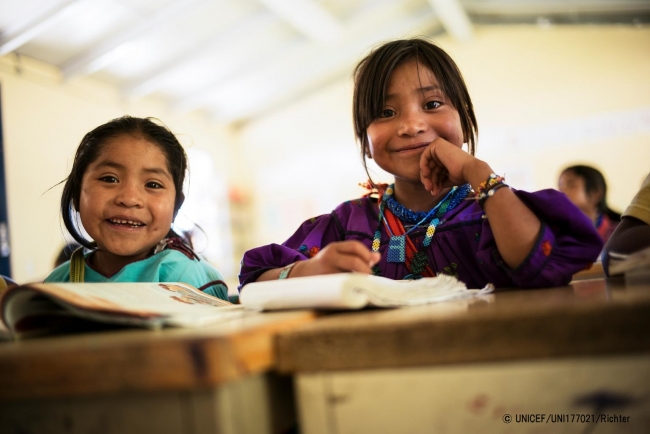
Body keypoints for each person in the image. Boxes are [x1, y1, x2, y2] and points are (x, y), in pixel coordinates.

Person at [238, 38, 603, 290]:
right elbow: (255, 279)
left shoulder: (495, 209)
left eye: (431, 105)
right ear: (365, 142)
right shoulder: (348, 224)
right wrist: (311, 269)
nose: (411, 125)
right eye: (385, 112)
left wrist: (479, 173)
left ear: (465, 120)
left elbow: (540, 265)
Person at [45, 116, 228, 300]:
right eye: (109, 179)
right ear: (77, 195)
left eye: (153, 185)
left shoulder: (185, 281)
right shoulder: (57, 282)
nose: (130, 199)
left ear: (176, 206)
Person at [558, 165, 621, 243]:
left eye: (572, 185)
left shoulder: (619, 235)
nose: (562, 192)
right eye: (560, 187)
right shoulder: (556, 236)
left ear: (596, 192)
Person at [603, 173, 650, 275]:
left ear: (595, 192)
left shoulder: (610, 228)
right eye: (560, 185)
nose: (563, 190)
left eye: (571, 185)